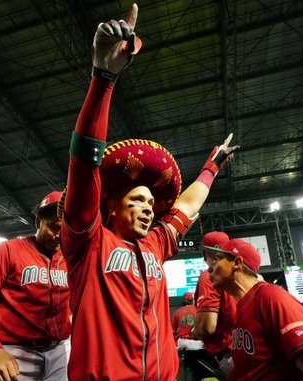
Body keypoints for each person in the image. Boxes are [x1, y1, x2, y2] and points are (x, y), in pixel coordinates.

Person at [59, 4, 239, 380]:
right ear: (110, 206)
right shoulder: (87, 242)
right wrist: (104, 78)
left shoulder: (156, 244)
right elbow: (83, 163)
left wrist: (211, 167)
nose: (147, 209)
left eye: (150, 203)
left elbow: (188, 203)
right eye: (136, 200)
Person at [0, 191, 71, 381]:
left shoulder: (72, 260)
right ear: (39, 222)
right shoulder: (6, 250)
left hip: (59, 350)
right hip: (14, 350)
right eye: (54, 227)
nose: (59, 235)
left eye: (65, 230)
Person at [208, 238, 303, 381]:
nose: (209, 268)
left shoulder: (271, 296)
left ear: (237, 264)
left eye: (217, 259)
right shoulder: (243, 305)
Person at [194, 231, 236, 375]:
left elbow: (207, 327)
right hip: (247, 347)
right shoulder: (240, 271)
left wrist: (196, 332)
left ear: (205, 252)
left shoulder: (209, 275)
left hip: (229, 354)